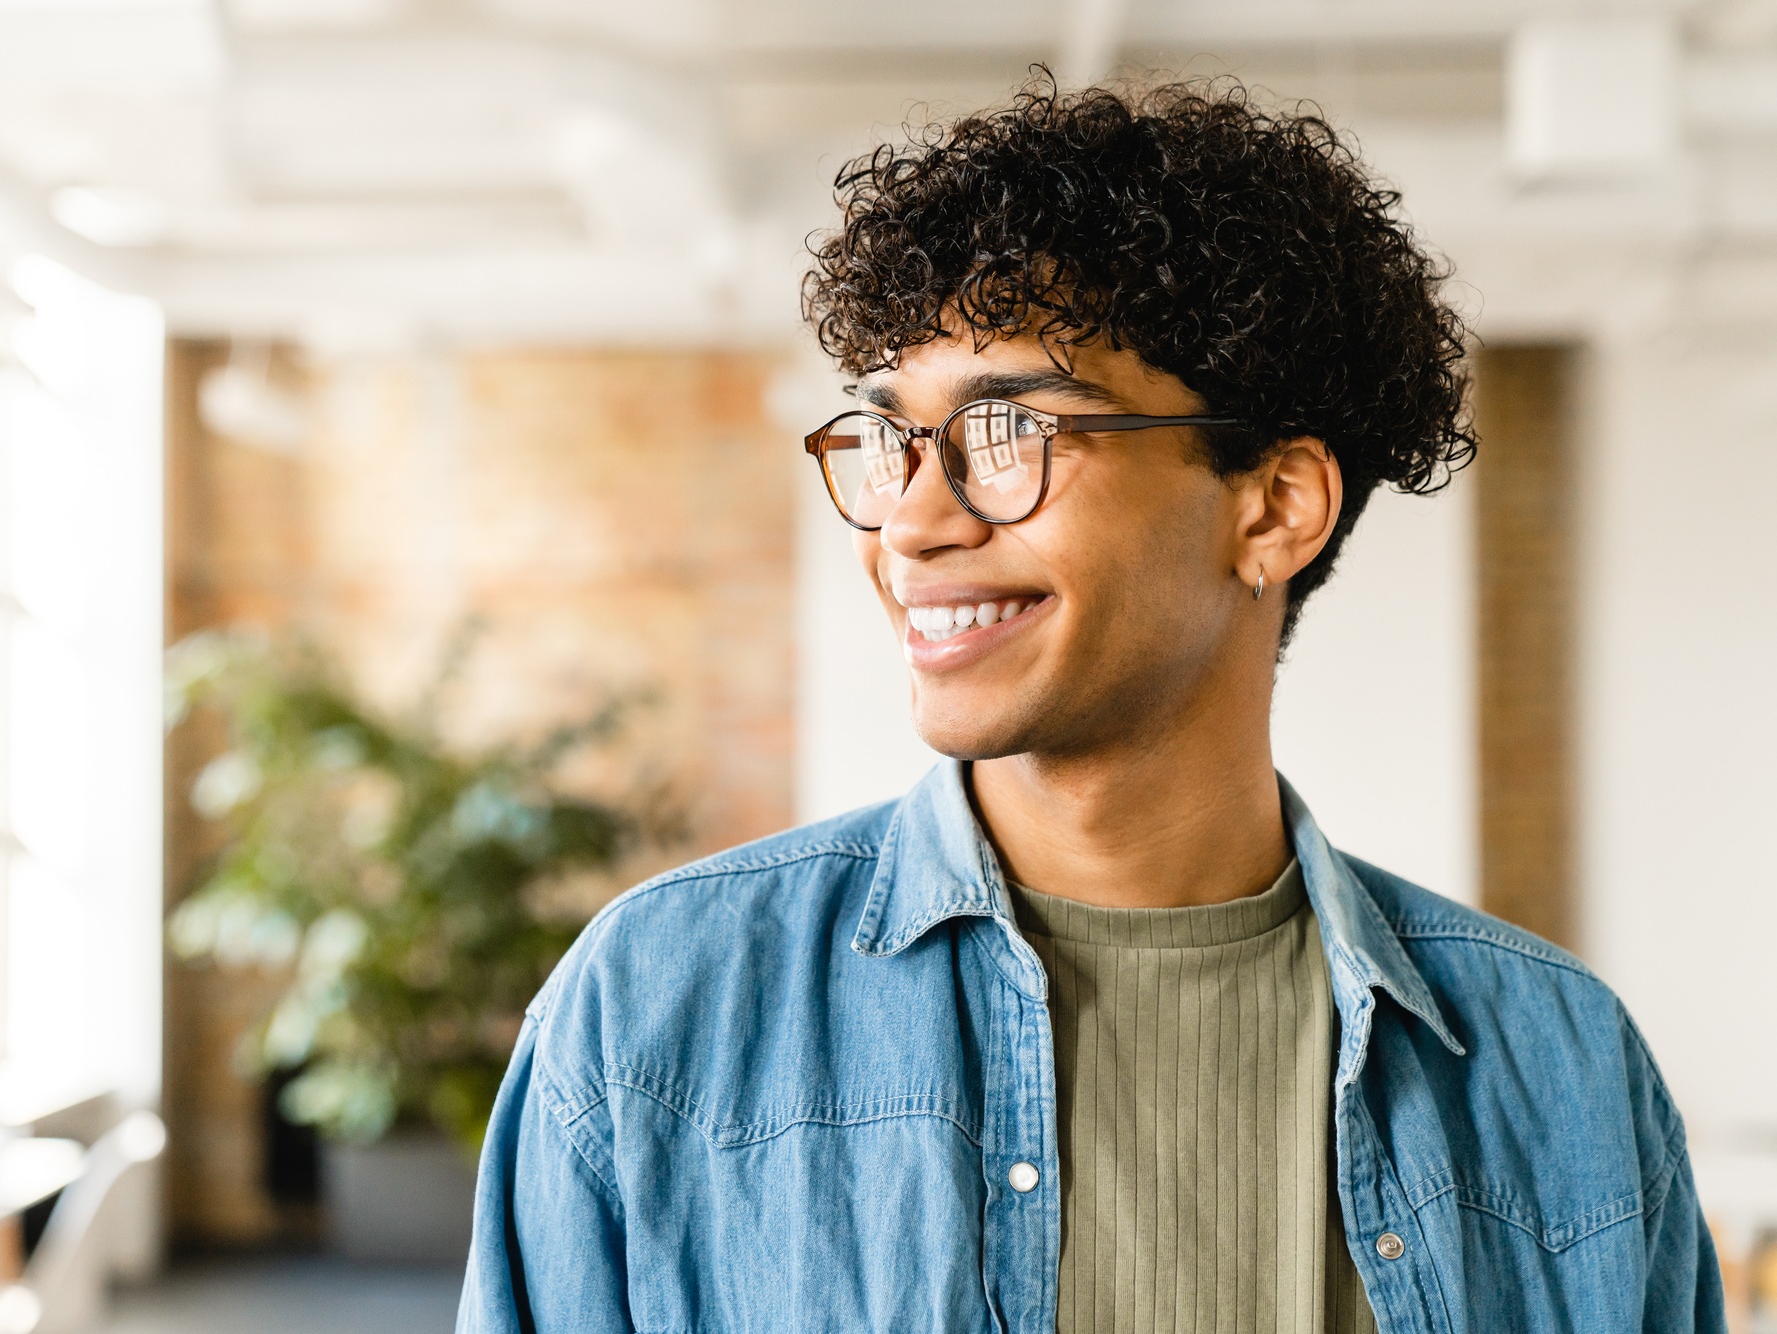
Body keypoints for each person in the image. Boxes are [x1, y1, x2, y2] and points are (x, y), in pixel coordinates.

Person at [457, 78, 1723, 1333]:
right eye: (892, 437)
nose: (911, 519)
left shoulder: (1560, 1067)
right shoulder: (656, 1009)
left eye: (1009, 430)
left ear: (1271, 507)